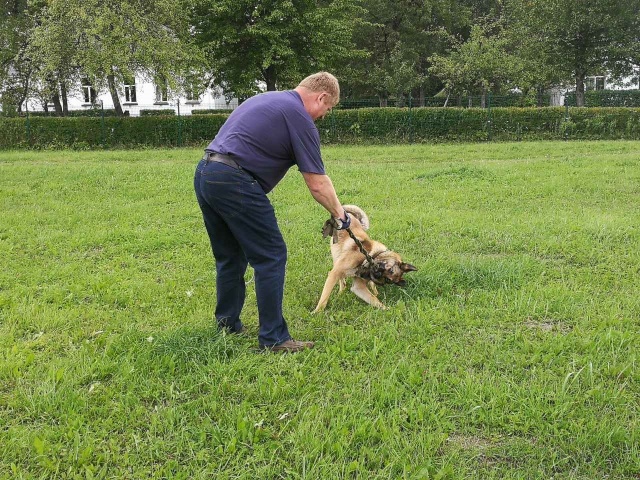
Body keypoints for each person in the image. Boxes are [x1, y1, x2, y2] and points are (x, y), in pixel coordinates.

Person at [194, 72, 351, 353]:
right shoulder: (299, 118)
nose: (323, 116)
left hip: (207, 172)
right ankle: (274, 338)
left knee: (230, 256)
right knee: (271, 255)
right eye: (327, 109)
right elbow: (317, 183)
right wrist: (342, 216)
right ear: (322, 97)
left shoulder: (270, 100)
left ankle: (227, 325)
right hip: (235, 181)